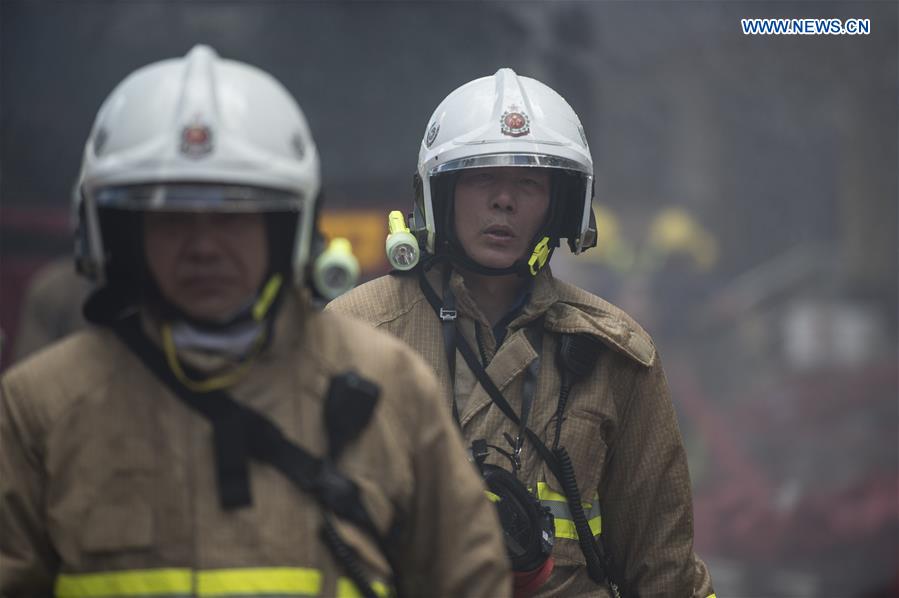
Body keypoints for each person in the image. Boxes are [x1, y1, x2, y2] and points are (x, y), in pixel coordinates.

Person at [0, 46, 511, 598]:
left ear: (285, 229)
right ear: (122, 233)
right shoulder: (38, 407)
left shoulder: (391, 388)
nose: (204, 247)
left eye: (233, 216)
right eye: (172, 218)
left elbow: (466, 583)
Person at [328, 68, 716, 597]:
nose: (504, 201)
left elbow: (665, 572)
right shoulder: (352, 336)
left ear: (560, 205)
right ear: (439, 193)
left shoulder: (615, 354)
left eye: (529, 183)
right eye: (482, 178)